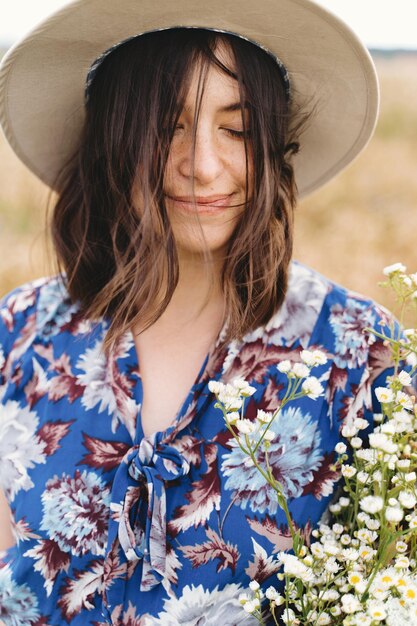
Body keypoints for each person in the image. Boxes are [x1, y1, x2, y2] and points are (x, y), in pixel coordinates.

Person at [0, 1, 395, 624]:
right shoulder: (19, 338)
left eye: (236, 131)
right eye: (166, 127)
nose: (202, 166)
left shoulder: (363, 355)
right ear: (112, 138)